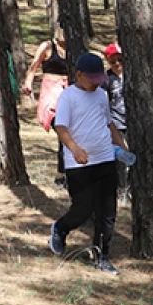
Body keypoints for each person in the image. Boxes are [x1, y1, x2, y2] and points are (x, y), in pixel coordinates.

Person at [48, 52, 128, 274]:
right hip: (79, 165)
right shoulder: (68, 96)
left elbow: (109, 123)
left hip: (105, 159)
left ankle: (102, 255)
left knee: (107, 211)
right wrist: (74, 149)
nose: (95, 84)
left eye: (98, 80)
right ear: (79, 75)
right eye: (91, 79)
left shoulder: (102, 95)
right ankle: (61, 228)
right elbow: (61, 127)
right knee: (83, 209)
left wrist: (121, 145)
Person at [22, 26, 72, 187]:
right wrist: (28, 83)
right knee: (62, 130)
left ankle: (62, 174)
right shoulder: (48, 46)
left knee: (68, 133)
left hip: (69, 91)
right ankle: (63, 173)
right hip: (52, 93)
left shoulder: (73, 47)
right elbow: (33, 67)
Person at [103, 43, 129, 201]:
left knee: (138, 155)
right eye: (113, 61)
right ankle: (121, 189)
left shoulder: (133, 74)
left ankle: (133, 187)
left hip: (134, 122)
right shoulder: (106, 79)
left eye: (120, 59)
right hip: (116, 122)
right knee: (121, 157)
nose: (118, 64)